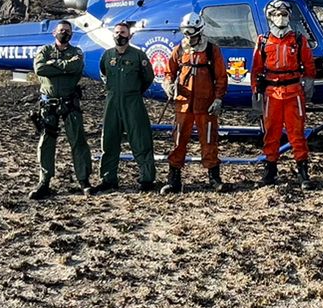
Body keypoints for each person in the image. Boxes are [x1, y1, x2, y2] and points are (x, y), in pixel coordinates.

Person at [251, 0, 316, 187]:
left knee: (297, 134)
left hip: (294, 92)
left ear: (289, 16)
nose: (281, 17)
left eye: (284, 14)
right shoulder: (263, 41)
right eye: (276, 14)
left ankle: (303, 173)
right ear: (270, 17)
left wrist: (309, 85)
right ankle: (270, 171)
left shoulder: (299, 39)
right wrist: (256, 91)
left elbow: (309, 66)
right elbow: (256, 68)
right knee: (271, 133)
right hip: (272, 93)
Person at [162, 11, 228, 194]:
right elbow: (169, 72)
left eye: (191, 34)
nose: (189, 38)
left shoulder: (211, 50)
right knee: (178, 140)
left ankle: (214, 178)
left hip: (206, 104)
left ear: (199, 31)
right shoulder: (179, 49)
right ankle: (174, 180)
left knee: (209, 140)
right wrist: (168, 85)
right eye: (186, 34)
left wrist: (218, 99)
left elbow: (221, 77)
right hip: (183, 104)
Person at [28, 20, 92, 199]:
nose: (64, 33)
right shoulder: (44, 50)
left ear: (71, 34)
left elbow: (76, 66)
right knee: (46, 142)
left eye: (68, 31)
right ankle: (44, 182)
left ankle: (84, 181)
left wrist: (54, 64)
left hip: (70, 103)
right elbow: (40, 68)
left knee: (78, 141)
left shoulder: (76, 52)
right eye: (61, 30)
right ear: (54, 33)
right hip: (48, 104)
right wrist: (64, 66)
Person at [94, 21, 156, 192]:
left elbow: (148, 77)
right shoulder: (107, 55)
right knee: (109, 139)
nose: (119, 35)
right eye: (116, 32)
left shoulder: (138, 56)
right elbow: (103, 73)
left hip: (133, 101)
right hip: (112, 101)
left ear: (129, 35)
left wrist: (134, 91)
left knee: (140, 139)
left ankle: (147, 178)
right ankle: (108, 179)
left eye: (122, 32)